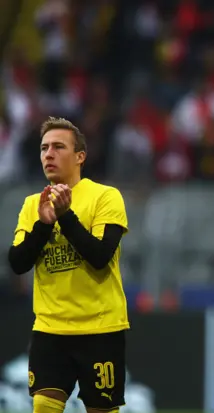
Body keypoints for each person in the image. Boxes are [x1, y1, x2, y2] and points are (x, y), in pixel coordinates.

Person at [7, 117, 129, 413]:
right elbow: (18, 262)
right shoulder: (31, 205)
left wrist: (65, 217)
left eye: (58, 147)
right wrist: (44, 225)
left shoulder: (105, 197)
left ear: (80, 157)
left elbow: (100, 257)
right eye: (44, 148)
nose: (48, 154)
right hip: (50, 329)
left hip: (100, 328)